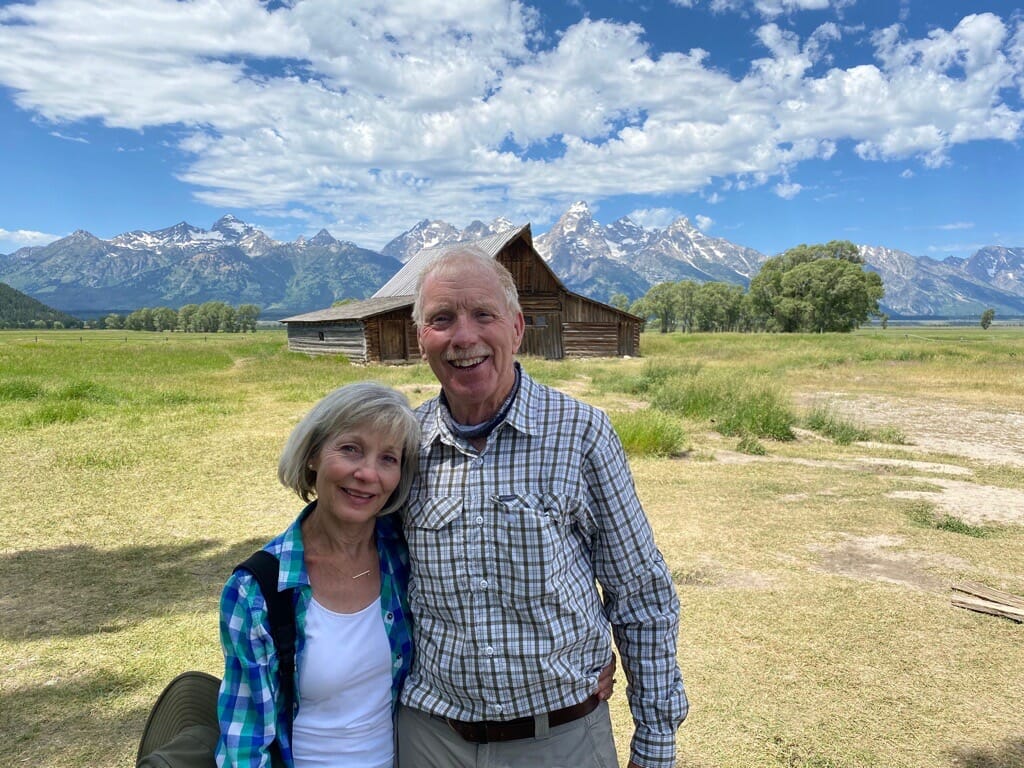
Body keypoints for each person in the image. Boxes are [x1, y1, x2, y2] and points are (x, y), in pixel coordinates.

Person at [396, 248, 688, 768]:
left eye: (482, 315)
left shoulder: (581, 433)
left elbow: (640, 592)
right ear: (422, 339)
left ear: (516, 328)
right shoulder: (402, 445)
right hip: (430, 740)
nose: (464, 337)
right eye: (442, 320)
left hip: (562, 738)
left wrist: (656, 740)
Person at [216, 382, 421, 768]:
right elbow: (244, 740)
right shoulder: (257, 590)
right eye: (350, 449)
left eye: (388, 458)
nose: (367, 474)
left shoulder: (404, 556)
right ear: (312, 455)